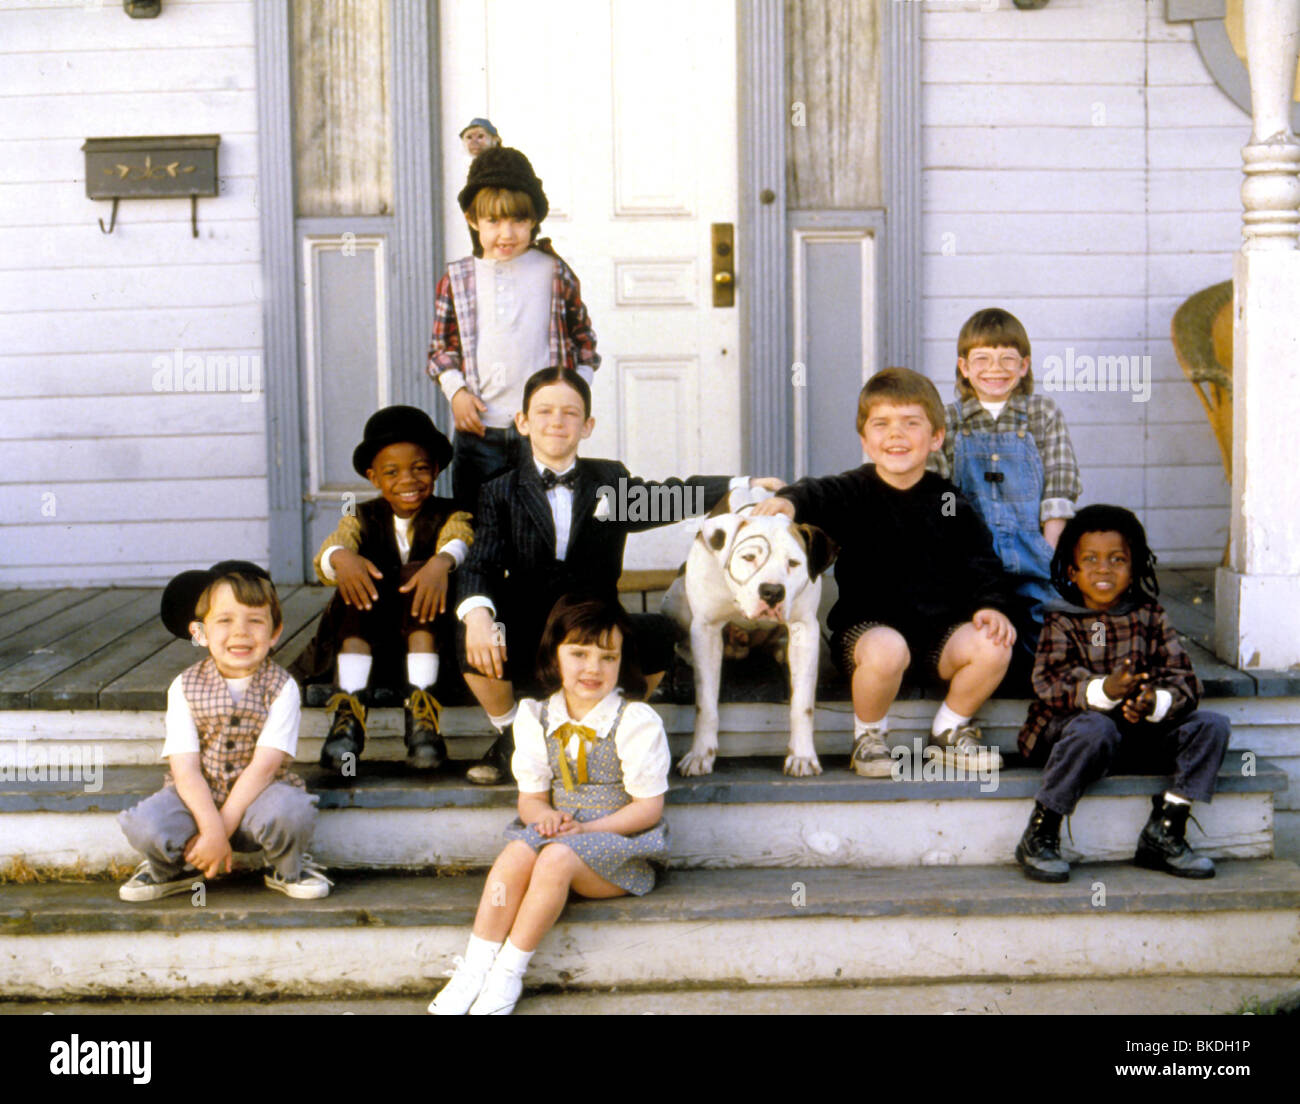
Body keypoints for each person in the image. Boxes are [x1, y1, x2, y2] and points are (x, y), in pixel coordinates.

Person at [456, 366, 773, 784]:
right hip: (532, 627)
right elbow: (481, 562)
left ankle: (599, 730)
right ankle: (516, 735)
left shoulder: (608, 483)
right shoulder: (500, 490)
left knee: (659, 634)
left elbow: (666, 499)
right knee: (471, 634)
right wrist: (478, 615)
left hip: (595, 625)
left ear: (587, 426)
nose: (556, 421)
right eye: (544, 411)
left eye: (570, 413)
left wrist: (739, 485)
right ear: (522, 422)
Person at [755, 367, 1014, 778]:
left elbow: (978, 556)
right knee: (887, 649)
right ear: (865, 440)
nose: (896, 434)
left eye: (911, 424)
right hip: (867, 638)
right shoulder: (853, 492)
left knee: (993, 645)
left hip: (937, 640)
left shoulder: (945, 499)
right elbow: (814, 493)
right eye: (882, 424)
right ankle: (869, 737)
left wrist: (990, 605)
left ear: (935, 439)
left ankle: (949, 728)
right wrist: (788, 502)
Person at [428, 595, 670, 1015]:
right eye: (578, 653)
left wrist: (585, 831)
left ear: (621, 662)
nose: (593, 668)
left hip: (620, 847)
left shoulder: (634, 720)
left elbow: (648, 809)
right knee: (517, 851)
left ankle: (507, 973)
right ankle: (475, 968)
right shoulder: (537, 716)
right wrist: (544, 818)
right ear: (554, 655)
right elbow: (531, 800)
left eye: (607, 657)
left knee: (556, 857)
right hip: (561, 834)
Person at [1014, 504, 1230, 882]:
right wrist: (1105, 690)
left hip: (1136, 734)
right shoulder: (1060, 618)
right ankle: (1042, 831)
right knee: (1095, 727)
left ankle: (1165, 829)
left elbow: (1185, 680)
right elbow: (1049, 682)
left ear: (1133, 570)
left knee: (1212, 726)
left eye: (1117, 560)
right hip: (1073, 736)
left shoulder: (1150, 616)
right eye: (1091, 560)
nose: (1103, 569)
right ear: (1072, 571)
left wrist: (1152, 702)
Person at [118, 562, 331, 901]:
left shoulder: (282, 687)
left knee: (293, 811)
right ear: (200, 633)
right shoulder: (184, 687)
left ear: (275, 632)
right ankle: (170, 869)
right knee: (145, 823)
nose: (241, 632)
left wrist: (221, 831)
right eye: (225, 620)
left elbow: (265, 766)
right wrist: (209, 828)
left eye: (255, 620)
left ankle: (287, 866)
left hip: (257, 804)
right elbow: (184, 770)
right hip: (195, 803)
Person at [290, 406, 473, 774]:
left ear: (436, 469)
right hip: (369, 636)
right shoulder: (361, 515)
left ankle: (423, 721)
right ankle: (349, 715)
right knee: (357, 584)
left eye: (420, 468)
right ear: (374, 477)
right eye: (392, 472)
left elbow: (461, 537)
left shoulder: (450, 513)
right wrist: (340, 557)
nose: (408, 480)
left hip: (428, 640)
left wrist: (442, 562)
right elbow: (334, 546)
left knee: (419, 575)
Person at [427, 146, 600, 514]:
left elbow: (584, 341)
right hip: (480, 433)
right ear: (472, 220)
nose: (506, 233)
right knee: (475, 523)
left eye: (518, 221)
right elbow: (441, 349)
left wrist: (575, 391)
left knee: (539, 522)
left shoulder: (554, 272)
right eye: (493, 221)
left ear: (534, 220)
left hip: (540, 434)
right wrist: (456, 392)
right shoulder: (457, 279)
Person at [931, 308, 1081, 663]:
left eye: (1006, 359)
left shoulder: (1042, 413)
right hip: (973, 554)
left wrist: (1051, 547)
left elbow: (1061, 480)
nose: (995, 369)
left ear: (1024, 366)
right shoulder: (948, 418)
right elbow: (942, 489)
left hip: (1034, 550)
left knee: (1051, 635)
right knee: (977, 633)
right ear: (964, 367)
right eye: (982, 358)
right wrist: (952, 540)